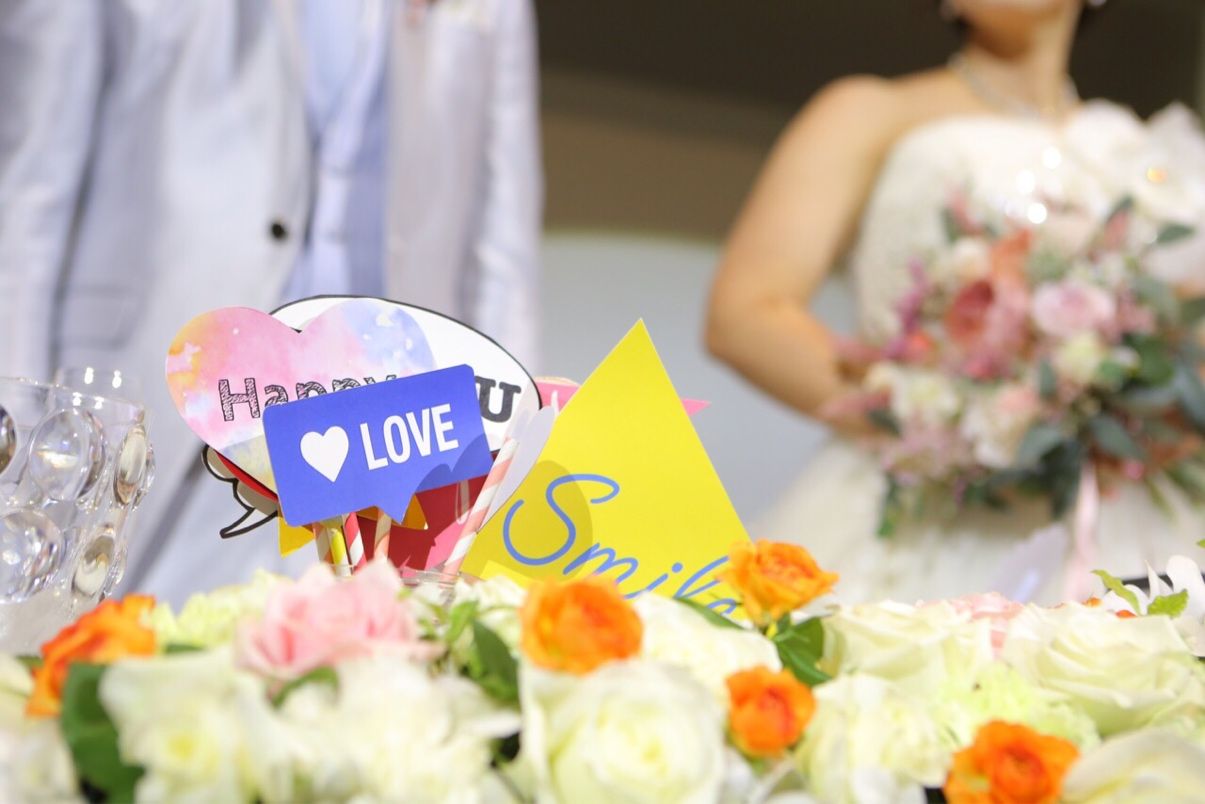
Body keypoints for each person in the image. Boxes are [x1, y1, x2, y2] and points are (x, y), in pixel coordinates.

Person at [0, 0, 542, 606]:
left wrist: (504, 475)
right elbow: (24, 205)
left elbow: (502, 255)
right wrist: (15, 452)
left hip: (393, 453)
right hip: (163, 424)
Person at [706, 0, 1205, 604]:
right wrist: (951, 424)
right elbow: (746, 314)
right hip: (928, 511)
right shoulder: (871, 111)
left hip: (1125, 516)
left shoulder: (1141, 149)